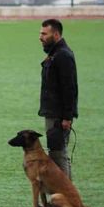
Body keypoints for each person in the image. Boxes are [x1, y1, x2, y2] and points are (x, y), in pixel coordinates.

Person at [39, 19, 78, 181]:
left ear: (55, 34)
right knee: (57, 154)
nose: (40, 37)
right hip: (54, 113)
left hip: (58, 116)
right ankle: (64, 199)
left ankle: (66, 200)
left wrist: (67, 117)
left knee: (59, 155)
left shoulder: (62, 56)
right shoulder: (55, 54)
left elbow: (69, 89)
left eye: (44, 34)